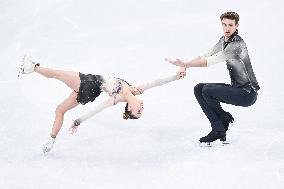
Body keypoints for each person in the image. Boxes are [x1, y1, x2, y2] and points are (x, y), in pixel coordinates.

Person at [19, 55, 186, 153]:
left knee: (57, 74)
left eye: (138, 112)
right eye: (141, 111)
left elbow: (97, 109)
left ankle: (31, 67)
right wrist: (174, 77)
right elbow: (157, 82)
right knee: (59, 110)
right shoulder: (136, 90)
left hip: (89, 84)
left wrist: (79, 121)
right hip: (88, 90)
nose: (142, 109)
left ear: (130, 108)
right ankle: (51, 140)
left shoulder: (117, 98)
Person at [166, 12, 260, 144]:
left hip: (247, 94)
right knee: (199, 89)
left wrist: (185, 64)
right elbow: (206, 55)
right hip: (237, 89)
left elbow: (208, 62)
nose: (227, 28)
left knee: (207, 90)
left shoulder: (237, 45)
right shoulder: (224, 40)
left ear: (236, 25)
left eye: (230, 25)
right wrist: (185, 66)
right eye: (224, 24)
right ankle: (219, 127)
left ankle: (223, 121)